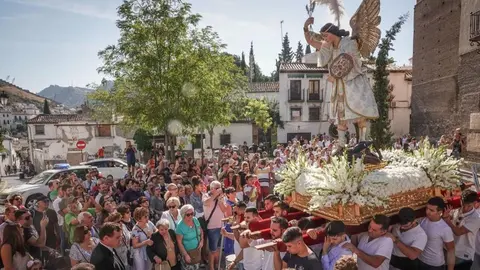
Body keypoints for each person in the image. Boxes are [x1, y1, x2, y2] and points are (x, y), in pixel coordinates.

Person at [303, 17, 379, 152]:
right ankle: (341, 145)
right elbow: (311, 41)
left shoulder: (350, 42)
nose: (324, 38)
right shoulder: (328, 46)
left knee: (360, 114)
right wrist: (306, 27)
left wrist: (337, 73)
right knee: (340, 115)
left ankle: (364, 142)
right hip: (339, 85)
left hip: (354, 83)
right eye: (323, 36)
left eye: (326, 35)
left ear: (333, 33)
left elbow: (352, 61)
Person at [176, 204, 204, 270]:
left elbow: (201, 231)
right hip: (187, 253)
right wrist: (185, 255)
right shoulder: (180, 226)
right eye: (188, 215)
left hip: (196, 251)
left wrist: (202, 241)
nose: (191, 216)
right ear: (183, 215)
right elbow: (179, 242)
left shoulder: (195, 220)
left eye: (192, 213)